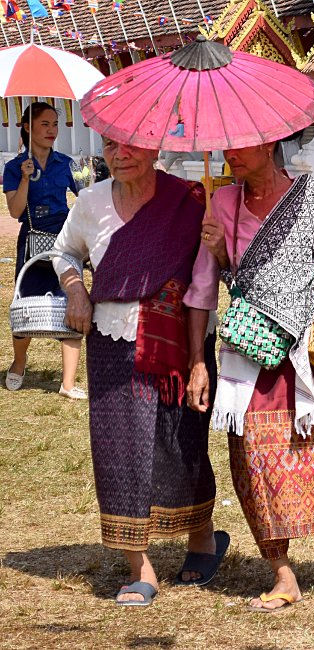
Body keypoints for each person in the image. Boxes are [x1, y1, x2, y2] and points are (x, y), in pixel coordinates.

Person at [184, 142, 314, 612]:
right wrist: (198, 362)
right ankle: (282, 574)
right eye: (227, 146)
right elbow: (204, 287)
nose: (230, 155)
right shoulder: (222, 203)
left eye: (241, 146)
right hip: (253, 352)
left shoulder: (313, 199)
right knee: (255, 459)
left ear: (270, 144)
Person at [52, 138, 229, 606]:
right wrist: (74, 290)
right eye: (111, 145)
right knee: (119, 451)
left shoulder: (190, 200)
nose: (119, 154)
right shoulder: (90, 201)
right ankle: (140, 565)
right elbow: (63, 252)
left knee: (184, 442)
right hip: (111, 341)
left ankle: (202, 540)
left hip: (180, 344)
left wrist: (196, 361)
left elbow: (205, 280)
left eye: (131, 146)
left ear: (154, 150)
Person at [3, 102, 86, 399]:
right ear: (28, 127)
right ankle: (19, 362)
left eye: (55, 124)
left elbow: (86, 195)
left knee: (72, 301)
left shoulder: (67, 163)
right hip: (31, 239)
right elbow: (14, 211)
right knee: (24, 302)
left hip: (63, 240)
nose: (52, 131)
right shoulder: (13, 168)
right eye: (45, 124)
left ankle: (67, 383)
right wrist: (25, 177)